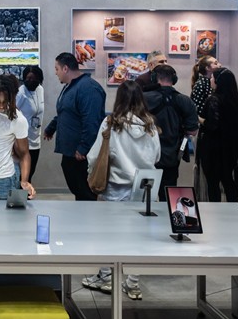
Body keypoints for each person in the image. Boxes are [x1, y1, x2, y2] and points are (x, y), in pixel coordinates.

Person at [82, 80, 160, 300]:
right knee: (139, 238)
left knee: (107, 235)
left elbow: (95, 155)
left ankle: (106, 277)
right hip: (143, 188)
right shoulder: (150, 126)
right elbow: (156, 156)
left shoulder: (111, 123)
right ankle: (132, 283)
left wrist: (91, 171)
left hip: (114, 188)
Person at [42, 52, 106, 201]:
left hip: (81, 155)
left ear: (65, 69)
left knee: (85, 194)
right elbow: (65, 112)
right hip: (70, 152)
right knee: (78, 190)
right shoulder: (70, 87)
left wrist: (83, 147)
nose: (55, 73)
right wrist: (51, 128)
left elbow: (92, 121)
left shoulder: (88, 88)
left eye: (57, 69)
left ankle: (86, 216)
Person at [143, 64, 199, 199]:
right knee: (168, 195)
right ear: (174, 79)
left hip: (147, 154)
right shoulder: (185, 100)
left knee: (145, 195)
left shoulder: (143, 98)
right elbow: (192, 131)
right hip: (173, 156)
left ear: (154, 78)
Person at [199, 67, 238, 202]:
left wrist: (200, 119)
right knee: (228, 179)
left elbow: (212, 124)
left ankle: (215, 208)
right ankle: (233, 207)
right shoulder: (236, 99)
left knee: (213, 182)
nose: (210, 80)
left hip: (213, 147)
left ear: (219, 81)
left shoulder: (213, 99)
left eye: (212, 78)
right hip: (230, 146)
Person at [15, 65, 45, 182]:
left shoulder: (40, 90)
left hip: (36, 139)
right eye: (28, 78)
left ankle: (26, 193)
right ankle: (20, 194)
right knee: (22, 176)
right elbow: (12, 114)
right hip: (22, 140)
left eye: (33, 78)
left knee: (30, 173)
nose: (30, 81)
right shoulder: (21, 93)